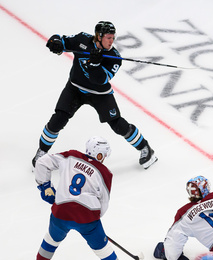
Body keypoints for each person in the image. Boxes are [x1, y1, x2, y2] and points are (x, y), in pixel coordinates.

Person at [32, 21, 157, 169]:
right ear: (98, 36)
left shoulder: (114, 56)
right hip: (75, 89)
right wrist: (56, 42)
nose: (112, 41)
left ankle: (145, 148)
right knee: (58, 119)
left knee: (118, 125)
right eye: (108, 38)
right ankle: (42, 151)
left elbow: (100, 80)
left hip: (99, 94)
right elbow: (62, 40)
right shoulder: (82, 40)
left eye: (113, 38)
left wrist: (95, 64)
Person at [29, 136, 134, 260]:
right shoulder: (105, 173)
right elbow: (103, 203)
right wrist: (94, 221)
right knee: (103, 250)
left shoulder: (71, 156)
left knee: (51, 239)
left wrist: (45, 187)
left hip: (61, 213)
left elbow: (42, 162)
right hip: (88, 219)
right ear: (100, 155)